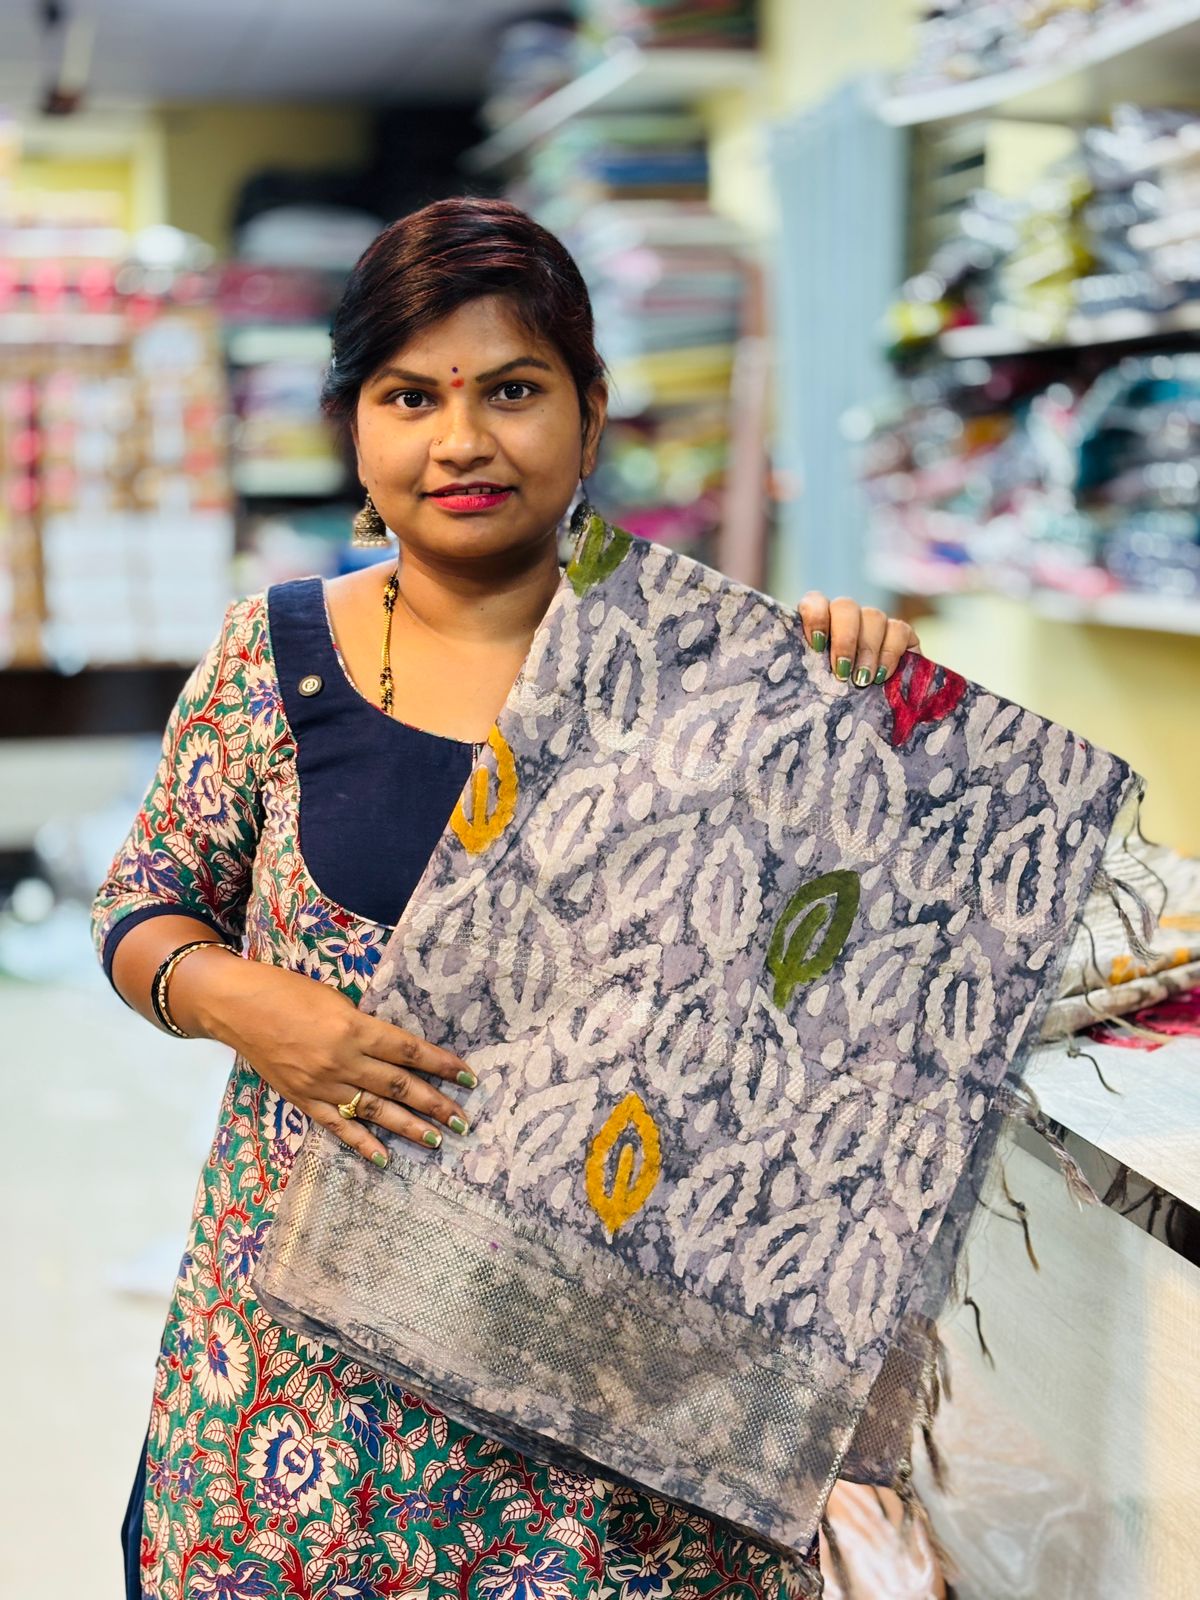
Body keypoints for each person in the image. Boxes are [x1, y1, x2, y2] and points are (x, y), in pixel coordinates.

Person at [94, 197, 922, 1600]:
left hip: (610, 1428)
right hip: (303, 1408)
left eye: (515, 391)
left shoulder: (726, 680)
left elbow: (843, 1008)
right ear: (355, 428)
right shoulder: (276, 657)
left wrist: (870, 704)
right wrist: (238, 1001)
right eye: (411, 395)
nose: (463, 440)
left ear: (591, 417)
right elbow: (146, 903)